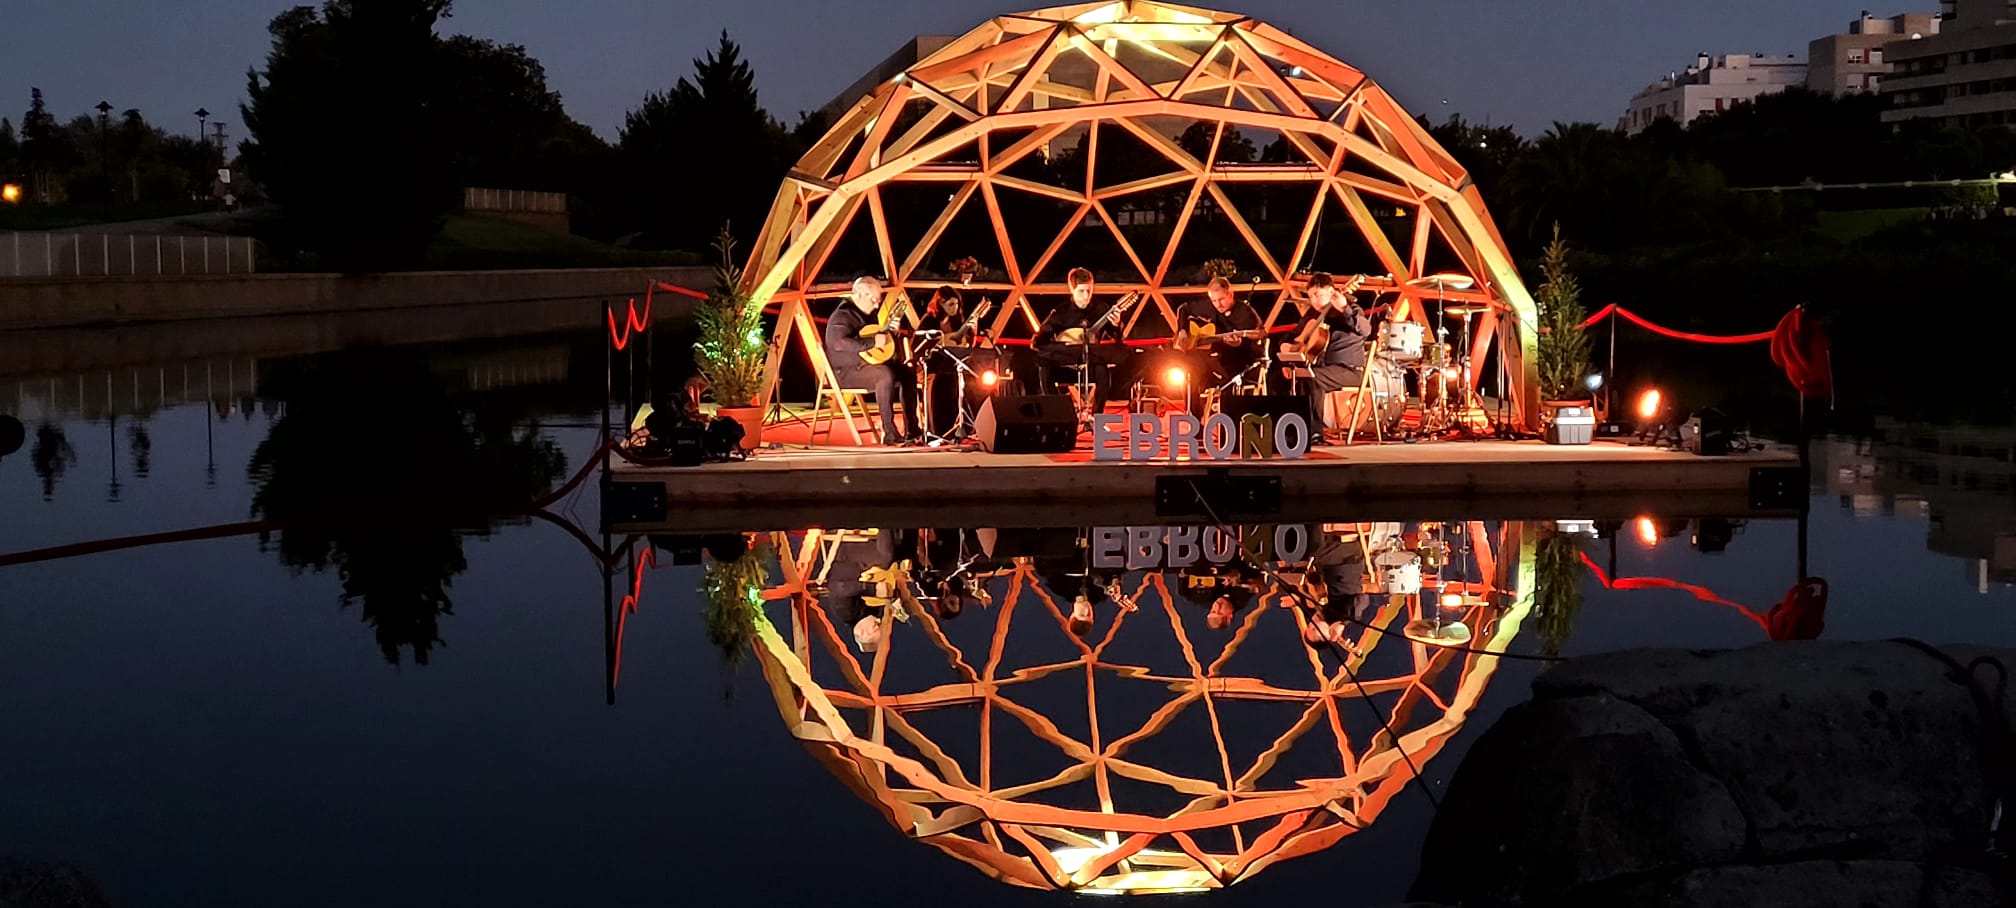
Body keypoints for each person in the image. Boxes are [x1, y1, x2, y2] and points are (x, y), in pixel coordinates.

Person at [825, 276, 923, 445]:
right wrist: (872, 342)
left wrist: (890, 333)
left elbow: (878, 345)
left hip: (867, 366)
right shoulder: (843, 315)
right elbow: (838, 343)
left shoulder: (868, 314)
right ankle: (889, 432)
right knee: (883, 374)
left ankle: (912, 428)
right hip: (845, 372)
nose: (877, 305)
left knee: (906, 373)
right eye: (874, 300)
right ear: (861, 294)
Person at [1033, 267, 1127, 418]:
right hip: (1066, 366)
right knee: (1045, 370)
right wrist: (1064, 348)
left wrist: (1116, 325)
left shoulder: (1101, 309)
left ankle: (1097, 417)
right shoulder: (1060, 313)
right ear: (1072, 289)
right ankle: (1059, 415)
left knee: (1103, 373)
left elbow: (1117, 339)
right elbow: (1038, 341)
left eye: (1089, 290)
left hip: (1090, 364)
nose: (1086, 296)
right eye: (1081, 291)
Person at [1287, 272, 1371, 432]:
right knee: (1280, 378)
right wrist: (1285, 343)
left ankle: (1314, 432)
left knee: (1312, 378)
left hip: (1350, 370)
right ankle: (1290, 427)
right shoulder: (1313, 314)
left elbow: (1366, 330)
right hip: (1323, 369)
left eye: (1318, 295)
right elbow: (1295, 335)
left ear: (1332, 292)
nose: (1314, 300)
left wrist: (1344, 308)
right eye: (1311, 296)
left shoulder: (1351, 309)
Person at [1174, 276, 1265, 408]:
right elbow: (1183, 309)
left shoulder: (1245, 312)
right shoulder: (1208, 306)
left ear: (1230, 294)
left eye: (1221, 299)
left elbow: (1258, 337)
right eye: (1214, 300)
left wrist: (1238, 343)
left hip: (1237, 360)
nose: (1218, 304)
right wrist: (1182, 330)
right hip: (1211, 357)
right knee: (1189, 374)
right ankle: (1195, 420)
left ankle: (1227, 420)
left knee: (1226, 376)